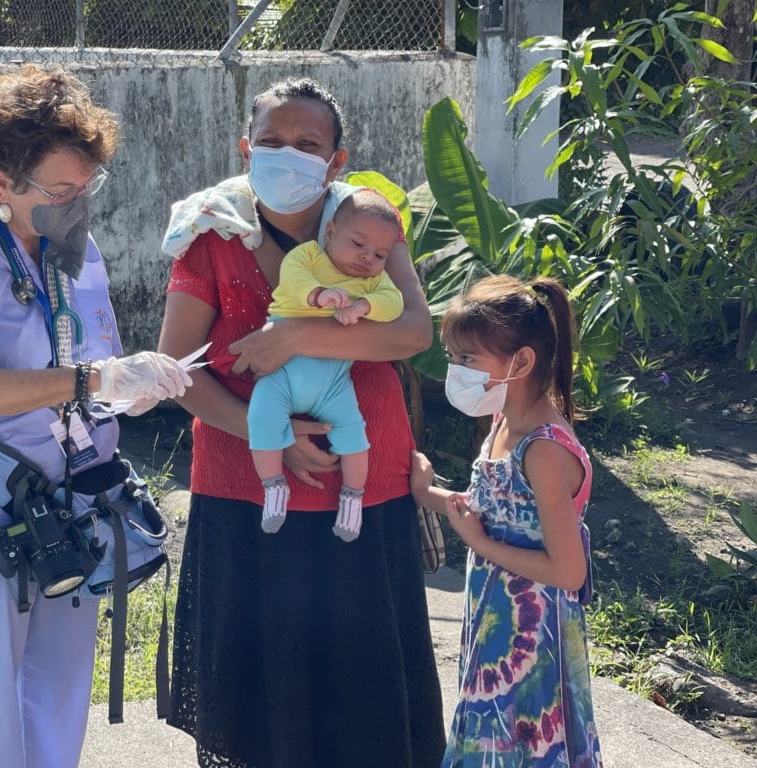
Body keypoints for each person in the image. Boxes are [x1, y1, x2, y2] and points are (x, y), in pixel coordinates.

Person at [0, 65, 191, 768]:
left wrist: (128, 388)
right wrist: (94, 380)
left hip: (66, 500)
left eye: (87, 188)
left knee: (58, 694)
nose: (76, 205)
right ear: (3, 182)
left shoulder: (74, 250)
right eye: (60, 192)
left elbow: (91, 359)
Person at [157, 77, 447, 768]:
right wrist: (274, 438)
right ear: (245, 149)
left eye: (308, 144)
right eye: (272, 140)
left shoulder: (370, 224)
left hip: (364, 484)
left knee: (364, 690)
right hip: (248, 487)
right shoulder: (210, 234)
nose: (288, 153)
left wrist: (294, 337)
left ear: (336, 159)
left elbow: (413, 332)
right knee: (264, 698)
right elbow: (178, 369)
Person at [409, 274, 603, 767]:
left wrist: (479, 544)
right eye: (453, 357)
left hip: (533, 640)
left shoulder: (544, 450)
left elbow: (568, 572)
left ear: (522, 361)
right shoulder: (504, 421)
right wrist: (427, 493)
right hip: (496, 623)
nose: (456, 370)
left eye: (467, 359)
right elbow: (490, 512)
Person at [248, 188, 404, 541]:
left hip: (333, 381)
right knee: (261, 418)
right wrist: (318, 295)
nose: (367, 257)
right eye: (358, 244)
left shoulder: (372, 282)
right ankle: (273, 487)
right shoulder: (309, 256)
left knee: (354, 437)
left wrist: (364, 306)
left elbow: (393, 302)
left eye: (379, 254)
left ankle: (352, 498)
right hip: (281, 371)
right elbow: (293, 277)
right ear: (331, 232)